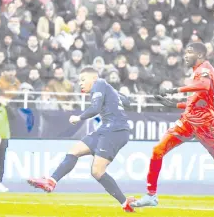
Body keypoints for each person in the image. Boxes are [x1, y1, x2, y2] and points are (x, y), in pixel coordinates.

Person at [131, 42, 214, 208]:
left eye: (189, 52)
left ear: (199, 55)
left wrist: (175, 90)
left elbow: (204, 86)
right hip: (188, 121)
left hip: (205, 124)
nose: (185, 55)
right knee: (157, 150)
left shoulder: (205, 68)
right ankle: (151, 195)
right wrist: (173, 105)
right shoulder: (196, 73)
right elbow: (195, 102)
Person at [27, 66, 136, 212]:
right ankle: (51, 181)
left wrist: (79, 117)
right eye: (79, 81)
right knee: (75, 150)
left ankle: (124, 202)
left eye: (83, 79)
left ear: (94, 78)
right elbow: (128, 102)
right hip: (107, 129)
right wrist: (116, 95)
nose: (80, 83)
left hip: (115, 130)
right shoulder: (107, 88)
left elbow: (96, 108)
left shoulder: (99, 84)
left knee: (97, 171)